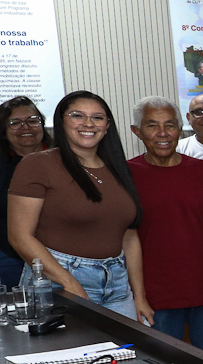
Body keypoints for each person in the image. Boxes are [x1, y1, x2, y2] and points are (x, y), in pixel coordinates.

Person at [8, 92, 146, 320]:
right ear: (61, 122)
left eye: (97, 117)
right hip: (57, 281)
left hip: (117, 285)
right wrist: (70, 284)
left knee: (128, 345)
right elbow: (19, 236)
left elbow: (129, 237)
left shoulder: (120, 168)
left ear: (107, 126)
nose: (88, 123)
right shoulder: (37, 164)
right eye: (77, 116)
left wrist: (139, 296)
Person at [127, 98, 203, 356]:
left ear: (180, 130)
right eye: (152, 126)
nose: (162, 133)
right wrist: (137, 296)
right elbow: (124, 238)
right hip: (155, 296)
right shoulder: (126, 174)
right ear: (137, 131)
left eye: (170, 125)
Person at [1, 95, 52, 287]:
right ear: (4, 131)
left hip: (64, 256)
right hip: (10, 257)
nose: (25, 127)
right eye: (15, 123)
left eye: (32, 120)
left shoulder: (64, 159)